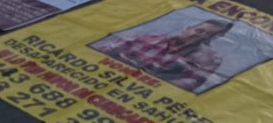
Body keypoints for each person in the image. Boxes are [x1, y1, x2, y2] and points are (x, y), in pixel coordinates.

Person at [97, 20, 231, 92]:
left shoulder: (209, 58)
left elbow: (185, 85)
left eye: (209, 35)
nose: (200, 35)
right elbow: (105, 49)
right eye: (199, 30)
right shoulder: (151, 38)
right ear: (188, 28)